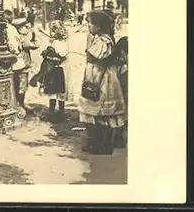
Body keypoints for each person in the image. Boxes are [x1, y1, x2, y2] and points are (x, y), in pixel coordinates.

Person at [78, 11, 126, 155]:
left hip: (102, 79)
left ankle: (104, 146)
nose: (88, 26)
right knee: (97, 114)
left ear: (98, 26)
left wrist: (95, 81)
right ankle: (96, 143)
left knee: (103, 114)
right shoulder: (99, 39)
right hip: (97, 77)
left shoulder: (103, 41)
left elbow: (98, 58)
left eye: (90, 23)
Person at [30, 20, 74, 122]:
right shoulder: (59, 40)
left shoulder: (59, 43)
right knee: (56, 91)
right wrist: (42, 31)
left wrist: (51, 57)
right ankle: (55, 111)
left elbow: (62, 55)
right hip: (58, 68)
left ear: (56, 32)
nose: (50, 33)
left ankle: (56, 112)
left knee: (56, 90)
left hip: (59, 69)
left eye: (52, 31)